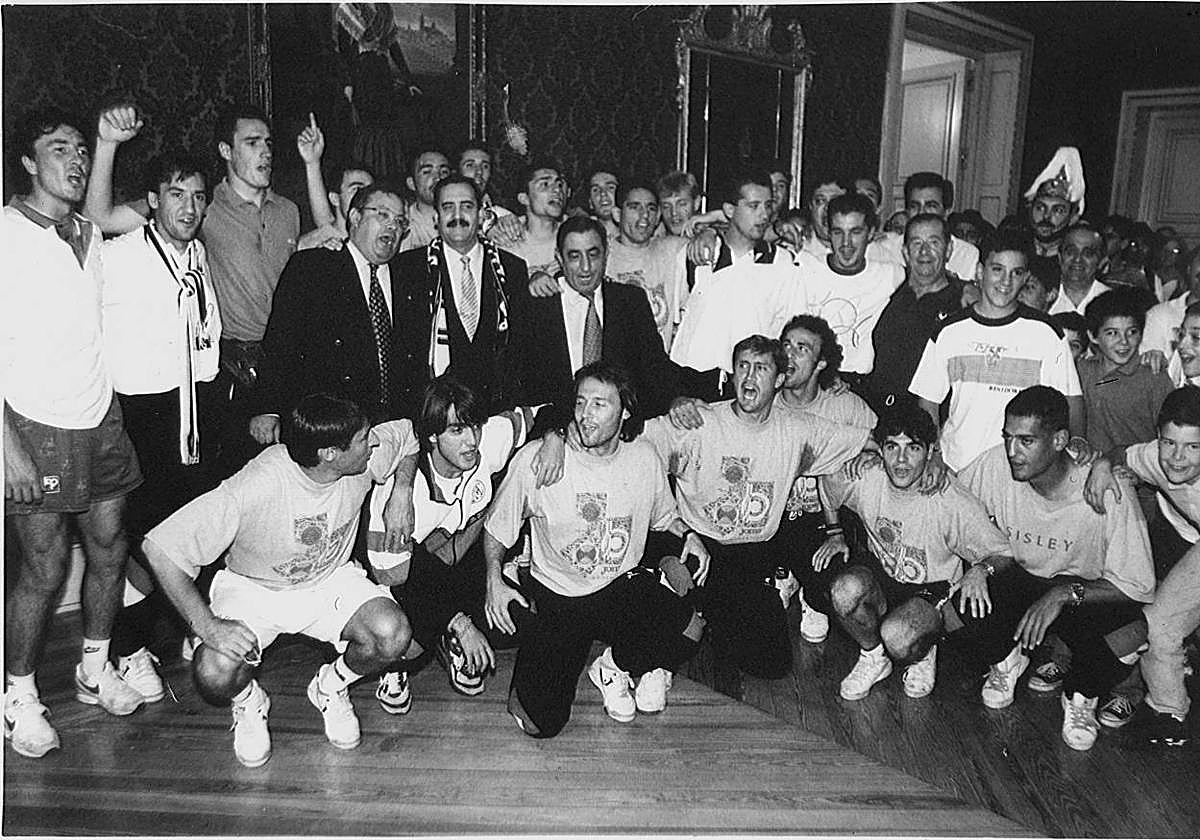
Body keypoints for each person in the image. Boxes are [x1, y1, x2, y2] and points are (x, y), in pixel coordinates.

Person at [143, 394, 418, 767]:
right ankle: (248, 701)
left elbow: (408, 436)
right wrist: (206, 626)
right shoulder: (257, 484)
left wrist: (402, 491)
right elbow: (160, 549)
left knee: (392, 634)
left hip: (329, 580)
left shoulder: (363, 456)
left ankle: (330, 687)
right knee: (214, 672)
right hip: (255, 589)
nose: (373, 444)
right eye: (363, 439)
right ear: (329, 454)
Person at [4, 110, 146, 759]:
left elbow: (117, 210)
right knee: (44, 567)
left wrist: (108, 143)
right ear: (27, 163)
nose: (76, 159)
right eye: (58, 148)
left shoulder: (87, 229)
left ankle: (94, 667)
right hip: (34, 422)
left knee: (111, 547)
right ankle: (19, 696)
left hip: (99, 416)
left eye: (81, 149)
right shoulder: (7, 233)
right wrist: (6, 446)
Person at [483, 362, 709, 737]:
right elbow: (497, 529)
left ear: (625, 412)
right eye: (580, 402)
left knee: (691, 629)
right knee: (540, 724)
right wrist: (494, 580)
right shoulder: (539, 460)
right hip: (560, 597)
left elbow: (664, 517)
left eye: (599, 405)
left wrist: (689, 534)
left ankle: (613, 666)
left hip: (619, 586)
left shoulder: (644, 457)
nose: (585, 414)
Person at [90, 106, 225, 700]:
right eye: (176, 195)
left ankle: (172, 632)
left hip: (195, 411)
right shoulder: (120, 253)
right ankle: (128, 648)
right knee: (147, 541)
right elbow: (93, 217)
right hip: (141, 414)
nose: (189, 208)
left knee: (189, 533)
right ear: (152, 201)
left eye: (197, 197)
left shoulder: (197, 256)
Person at [643, 336, 871, 678]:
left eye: (761, 368)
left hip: (749, 555)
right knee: (675, 638)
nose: (749, 377)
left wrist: (902, 457)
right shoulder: (699, 422)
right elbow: (633, 447)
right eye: (743, 367)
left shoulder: (797, 429)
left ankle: (708, 610)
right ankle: (673, 587)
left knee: (771, 663)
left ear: (779, 379)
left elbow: (868, 439)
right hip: (697, 544)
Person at [957, 386, 1155, 751]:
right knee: (966, 597)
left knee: (1132, 632)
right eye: (1008, 437)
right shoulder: (994, 464)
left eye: (1026, 441)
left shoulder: (1106, 489)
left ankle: (1081, 695)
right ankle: (1008, 661)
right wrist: (980, 566)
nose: (1012, 451)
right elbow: (950, 496)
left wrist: (1063, 594)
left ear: (1060, 440)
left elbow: (1137, 587)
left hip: (1079, 593)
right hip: (1023, 580)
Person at [816, 404, 1012, 700]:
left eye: (913, 448)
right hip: (885, 576)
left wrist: (981, 570)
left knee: (898, 637)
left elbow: (1004, 553)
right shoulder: (867, 475)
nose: (901, 460)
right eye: (892, 447)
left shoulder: (950, 499)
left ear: (930, 451)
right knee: (844, 590)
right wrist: (834, 533)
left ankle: (925, 648)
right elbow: (827, 478)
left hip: (931, 589)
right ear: (880, 449)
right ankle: (873, 657)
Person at [365, 377, 535, 709]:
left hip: (460, 566)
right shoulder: (402, 496)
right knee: (407, 645)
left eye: (475, 426)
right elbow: (395, 577)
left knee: (515, 623)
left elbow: (545, 412)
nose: (472, 440)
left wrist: (556, 437)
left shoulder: (488, 440)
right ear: (431, 436)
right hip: (403, 584)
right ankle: (400, 662)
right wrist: (459, 622)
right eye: (457, 430)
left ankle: (448, 634)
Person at [909, 229, 1084, 472]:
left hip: (1021, 473)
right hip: (957, 467)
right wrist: (934, 454)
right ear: (980, 272)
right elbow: (928, 403)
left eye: (1016, 273)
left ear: (1025, 277)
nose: (1006, 282)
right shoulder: (949, 330)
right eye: (997, 269)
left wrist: (1076, 446)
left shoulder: (1046, 333)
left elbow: (1071, 400)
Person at [1085, 386, 1200, 747]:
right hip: (1186, 538)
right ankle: (1169, 712)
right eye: (1170, 443)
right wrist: (1103, 464)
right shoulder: (1155, 456)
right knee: (1161, 622)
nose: (1177, 458)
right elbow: (1123, 453)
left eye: (1193, 447)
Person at [252, 181, 410, 436]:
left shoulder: (407, 277)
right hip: (328, 425)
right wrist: (267, 409)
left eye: (400, 221)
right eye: (382, 215)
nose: (392, 226)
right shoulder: (313, 267)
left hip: (391, 425)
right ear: (355, 217)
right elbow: (280, 342)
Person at [506, 215, 686, 433]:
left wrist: (676, 399)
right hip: (553, 435)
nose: (586, 267)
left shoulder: (631, 301)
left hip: (620, 435)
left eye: (593, 255)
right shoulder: (536, 306)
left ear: (606, 253)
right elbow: (519, 383)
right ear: (559, 258)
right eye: (574, 256)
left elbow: (655, 366)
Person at [205, 104, 301, 477]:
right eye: (252, 143)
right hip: (233, 365)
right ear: (226, 150)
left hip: (286, 359)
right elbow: (104, 217)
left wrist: (311, 164)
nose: (265, 152)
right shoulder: (205, 207)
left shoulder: (288, 210)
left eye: (268, 143)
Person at [392, 173, 529, 417]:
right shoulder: (407, 269)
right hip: (431, 413)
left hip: (495, 413)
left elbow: (520, 352)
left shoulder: (512, 269)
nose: (457, 216)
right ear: (436, 218)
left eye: (467, 206)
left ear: (481, 214)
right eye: (448, 207)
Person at [669, 168, 807, 388]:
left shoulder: (782, 262)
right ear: (729, 210)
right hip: (693, 381)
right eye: (753, 206)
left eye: (768, 205)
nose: (764, 215)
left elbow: (789, 332)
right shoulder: (696, 255)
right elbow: (675, 323)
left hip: (752, 384)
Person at [796, 191, 904, 388]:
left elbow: (934, 281)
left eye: (855, 232)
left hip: (862, 385)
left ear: (871, 233)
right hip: (813, 383)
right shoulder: (805, 267)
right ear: (828, 232)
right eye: (838, 232)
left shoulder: (891, 275)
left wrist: (963, 289)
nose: (846, 243)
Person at [865, 213, 970, 412]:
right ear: (905, 251)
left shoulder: (962, 304)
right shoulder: (887, 287)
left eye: (934, 242)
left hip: (925, 417)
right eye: (916, 243)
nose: (924, 251)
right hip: (875, 412)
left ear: (948, 249)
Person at [605, 181, 688, 350]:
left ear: (658, 217)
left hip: (657, 362)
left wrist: (709, 231)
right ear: (617, 214)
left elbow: (729, 239)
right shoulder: (600, 255)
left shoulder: (672, 249)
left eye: (651, 208)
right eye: (635, 207)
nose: (644, 215)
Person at [867, 172, 981, 281]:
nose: (921, 212)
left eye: (931, 206)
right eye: (914, 206)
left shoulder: (966, 254)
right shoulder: (886, 248)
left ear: (947, 211)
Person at [496, 160, 568, 289]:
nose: (557, 190)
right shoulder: (507, 241)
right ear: (524, 198)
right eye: (545, 184)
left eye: (559, 184)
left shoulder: (574, 234)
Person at [1023, 146, 1085, 258]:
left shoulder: (1074, 260)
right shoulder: (1017, 249)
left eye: (1058, 210)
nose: (1046, 216)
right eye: (1040, 208)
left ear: (1073, 217)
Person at [1048, 224, 1113, 316]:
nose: (1077, 259)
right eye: (1071, 252)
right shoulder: (1042, 296)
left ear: (1101, 261)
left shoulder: (1111, 301)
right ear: (1060, 256)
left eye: (1088, 253)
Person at [455, 139, 513, 235]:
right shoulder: (441, 217)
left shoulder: (504, 219)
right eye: (470, 165)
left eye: (485, 166)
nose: (479, 171)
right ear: (457, 172)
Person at [405, 149, 451, 249]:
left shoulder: (464, 217)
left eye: (444, 172)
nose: (438, 178)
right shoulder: (405, 224)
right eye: (427, 172)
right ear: (411, 183)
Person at [655, 170, 703, 239]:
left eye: (682, 204)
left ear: (696, 203)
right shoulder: (653, 239)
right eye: (666, 207)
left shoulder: (710, 239)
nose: (674, 212)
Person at [584, 166, 620, 239]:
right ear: (590, 202)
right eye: (596, 190)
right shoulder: (585, 236)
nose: (603, 193)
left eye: (610, 187)